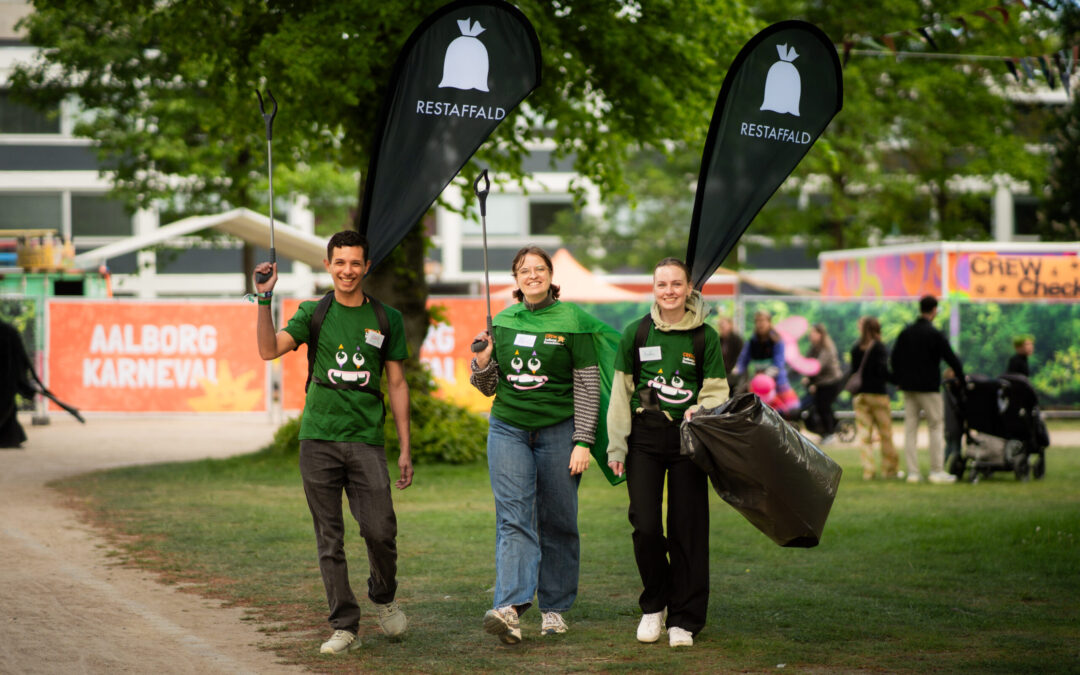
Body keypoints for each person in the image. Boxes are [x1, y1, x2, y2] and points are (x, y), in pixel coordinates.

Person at [253, 230, 412, 655]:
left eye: (355, 263)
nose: (347, 270)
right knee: (330, 538)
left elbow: (396, 383)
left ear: (367, 267)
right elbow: (269, 351)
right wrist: (264, 299)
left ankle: (383, 596)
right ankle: (345, 626)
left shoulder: (386, 319)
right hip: (318, 440)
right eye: (340, 263)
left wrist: (405, 447)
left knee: (380, 532)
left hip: (366, 442)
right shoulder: (312, 313)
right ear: (328, 265)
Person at [469, 245, 612, 644]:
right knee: (514, 518)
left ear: (550, 275)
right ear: (515, 280)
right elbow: (487, 388)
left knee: (558, 520)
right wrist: (481, 362)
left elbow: (586, 387)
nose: (532, 275)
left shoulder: (573, 321)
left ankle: (554, 608)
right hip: (508, 429)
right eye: (523, 270)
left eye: (539, 268)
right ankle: (510, 609)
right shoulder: (502, 321)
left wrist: (583, 440)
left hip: (559, 432)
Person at [606, 258, 729, 649]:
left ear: (689, 287)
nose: (670, 291)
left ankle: (684, 619)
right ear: (653, 288)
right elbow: (619, 396)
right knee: (645, 525)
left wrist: (701, 407)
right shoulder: (636, 332)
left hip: (688, 439)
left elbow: (716, 390)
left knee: (687, 528)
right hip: (645, 437)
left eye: (677, 284)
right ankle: (654, 605)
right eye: (663, 284)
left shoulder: (704, 337)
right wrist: (616, 445)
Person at [890, 295, 964, 485]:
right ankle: (936, 471)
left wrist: (899, 379)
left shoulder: (906, 333)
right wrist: (961, 379)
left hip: (908, 388)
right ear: (934, 311)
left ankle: (913, 473)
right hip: (929, 388)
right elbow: (951, 358)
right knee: (936, 426)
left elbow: (894, 358)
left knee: (910, 429)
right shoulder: (935, 334)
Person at [850, 316, 901, 480]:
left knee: (864, 436)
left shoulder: (856, 348)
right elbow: (883, 372)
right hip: (878, 395)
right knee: (885, 434)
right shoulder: (879, 348)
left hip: (860, 396)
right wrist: (898, 381)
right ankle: (889, 470)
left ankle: (868, 471)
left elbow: (853, 372)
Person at [803, 323, 844, 444]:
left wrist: (810, 379)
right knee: (820, 406)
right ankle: (829, 429)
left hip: (830, 382)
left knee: (824, 406)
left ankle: (830, 433)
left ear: (820, 334)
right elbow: (807, 362)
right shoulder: (813, 348)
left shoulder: (827, 348)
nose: (811, 335)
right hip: (820, 383)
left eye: (813, 332)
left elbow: (818, 366)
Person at [0, 319, 36, 448]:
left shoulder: (7, 332)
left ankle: (9, 438)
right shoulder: (9, 331)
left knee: (6, 407)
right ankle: (9, 438)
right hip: (8, 380)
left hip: (6, 379)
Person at [717, 315, 743, 390]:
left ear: (730, 325)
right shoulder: (718, 340)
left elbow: (741, 358)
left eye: (723, 324)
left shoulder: (737, 340)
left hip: (734, 373)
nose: (721, 327)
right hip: (722, 373)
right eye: (720, 325)